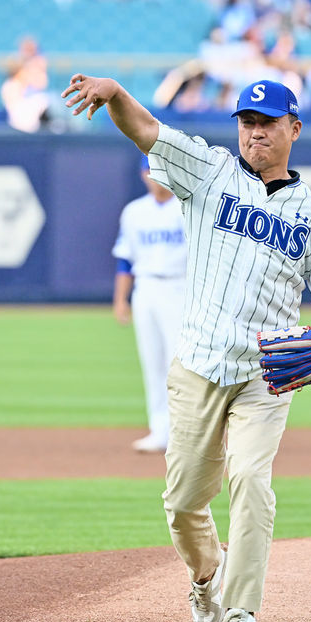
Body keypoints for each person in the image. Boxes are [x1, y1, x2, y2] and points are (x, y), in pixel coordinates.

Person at [62, 74, 311, 622]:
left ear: (294, 129)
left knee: (252, 480)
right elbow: (147, 132)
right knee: (183, 502)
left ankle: (241, 613)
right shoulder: (209, 170)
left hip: (266, 374)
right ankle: (206, 577)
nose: (254, 132)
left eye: (267, 123)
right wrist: (114, 94)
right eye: (247, 122)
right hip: (199, 364)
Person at [112, 156, 187, 452]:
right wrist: (121, 299)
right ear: (143, 174)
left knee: (178, 364)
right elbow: (124, 258)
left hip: (180, 286)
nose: (155, 177)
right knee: (152, 362)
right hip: (145, 288)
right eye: (150, 171)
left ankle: (184, 432)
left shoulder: (186, 208)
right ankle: (160, 431)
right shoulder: (134, 212)